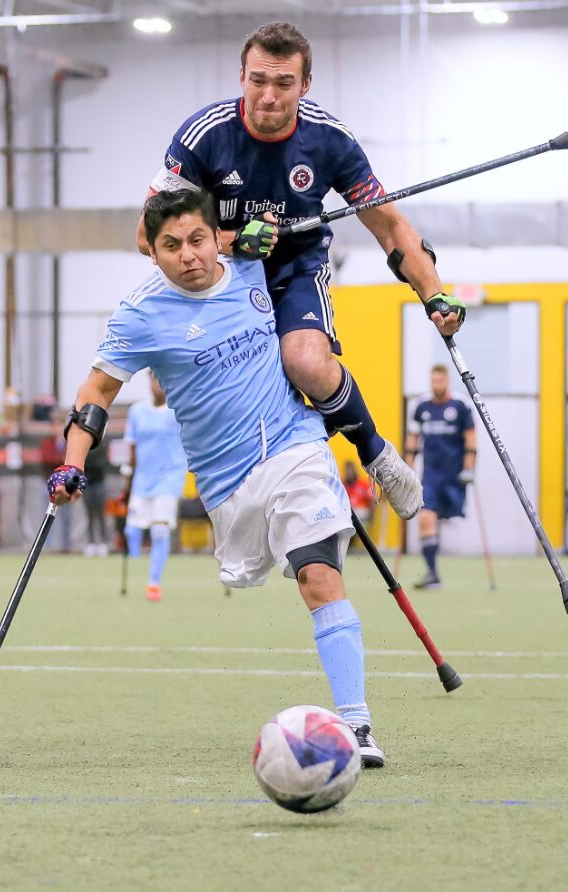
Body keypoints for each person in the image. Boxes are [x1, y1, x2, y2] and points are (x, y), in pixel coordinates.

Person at [50, 188, 385, 767]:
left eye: (197, 240)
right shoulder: (141, 312)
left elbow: (310, 254)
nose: (188, 256)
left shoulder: (254, 264)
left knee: (318, 574)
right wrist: (73, 461)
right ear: (152, 253)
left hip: (294, 444)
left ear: (216, 237)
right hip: (227, 483)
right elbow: (95, 393)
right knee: (270, 570)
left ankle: (356, 726)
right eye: (171, 246)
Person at [136, 21, 469, 521]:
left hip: (295, 267)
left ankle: (377, 455)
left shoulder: (329, 140)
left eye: (284, 83)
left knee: (307, 363)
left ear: (305, 85)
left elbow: (391, 226)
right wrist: (228, 240)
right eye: (257, 80)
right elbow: (146, 235)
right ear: (241, 76)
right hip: (219, 279)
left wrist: (434, 297)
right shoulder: (202, 136)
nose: (268, 96)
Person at [404, 364, 477, 589]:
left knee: (447, 516)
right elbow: (412, 441)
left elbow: (471, 439)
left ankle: (435, 570)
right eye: (433, 381)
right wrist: (406, 472)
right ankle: (432, 574)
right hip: (432, 475)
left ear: (447, 381)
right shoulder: (420, 406)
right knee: (426, 518)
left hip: (455, 475)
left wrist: (469, 469)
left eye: (440, 381)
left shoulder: (461, 405)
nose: (437, 385)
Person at [123, 374, 188, 600]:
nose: (156, 385)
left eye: (161, 380)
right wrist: (128, 480)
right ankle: (137, 576)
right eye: (153, 380)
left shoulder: (177, 411)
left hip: (169, 480)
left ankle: (153, 582)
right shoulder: (137, 411)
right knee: (131, 530)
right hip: (142, 481)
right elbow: (131, 447)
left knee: (160, 530)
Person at [81, 440, 109, 556]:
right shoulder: (84, 445)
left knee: (101, 513)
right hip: (87, 483)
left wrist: (91, 465)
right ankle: (91, 542)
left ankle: (102, 542)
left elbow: (103, 463)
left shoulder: (101, 444)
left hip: (99, 482)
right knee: (89, 514)